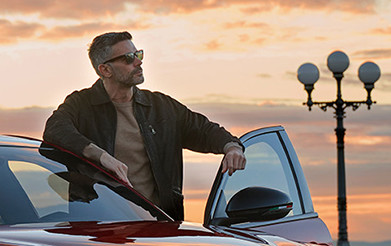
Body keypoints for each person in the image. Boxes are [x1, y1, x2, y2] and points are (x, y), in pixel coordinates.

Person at [43, 31, 247, 221]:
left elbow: (204, 130)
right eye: (128, 58)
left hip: (160, 225)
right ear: (105, 69)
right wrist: (102, 157)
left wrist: (232, 147)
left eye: (138, 54)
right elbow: (55, 130)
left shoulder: (162, 107)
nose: (138, 62)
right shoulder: (81, 104)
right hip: (98, 226)